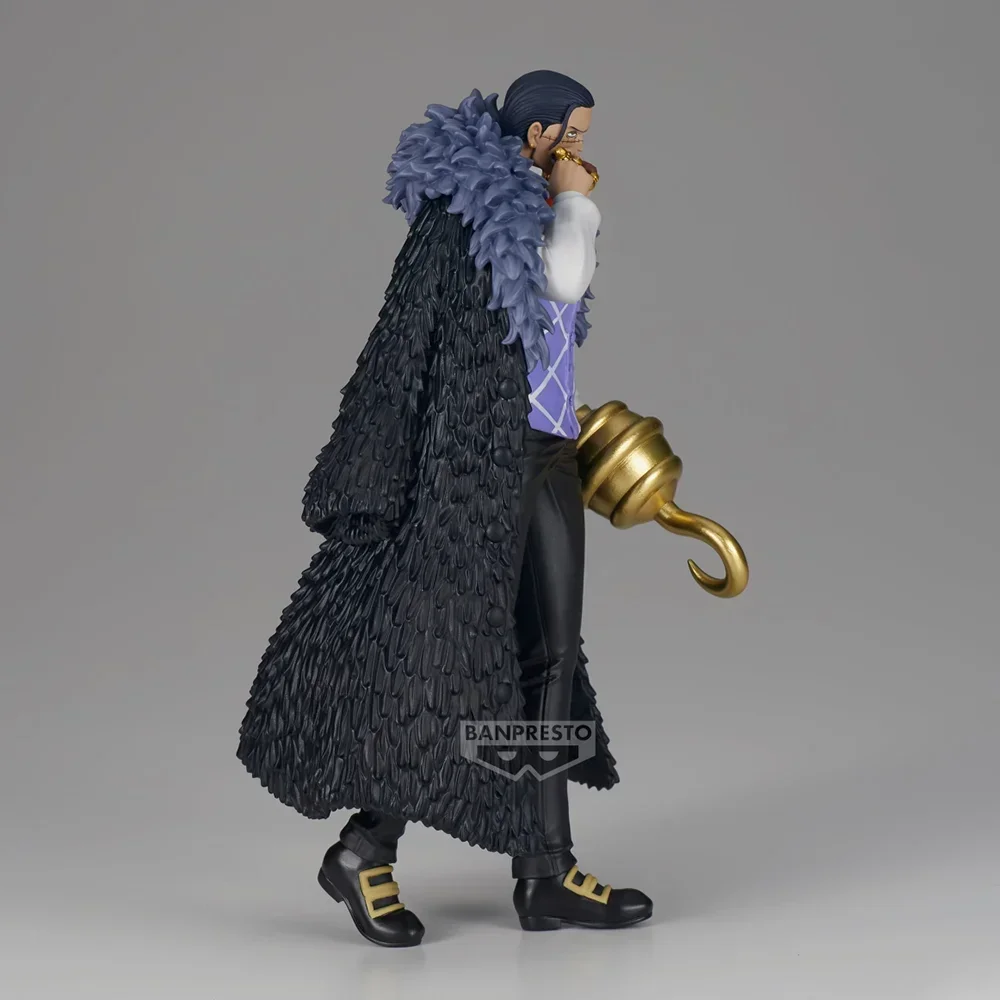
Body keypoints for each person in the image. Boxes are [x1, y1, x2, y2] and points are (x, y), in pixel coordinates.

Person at [237, 70, 653, 947]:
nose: (582, 150)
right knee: (447, 665)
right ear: (538, 136)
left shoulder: (538, 206)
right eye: (574, 134)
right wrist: (578, 203)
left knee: (550, 660)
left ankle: (545, 872)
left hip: (550, 455)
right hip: (474, 469)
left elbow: (542, 326)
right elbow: (533, 295)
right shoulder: (466, 213)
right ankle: (363, 849)